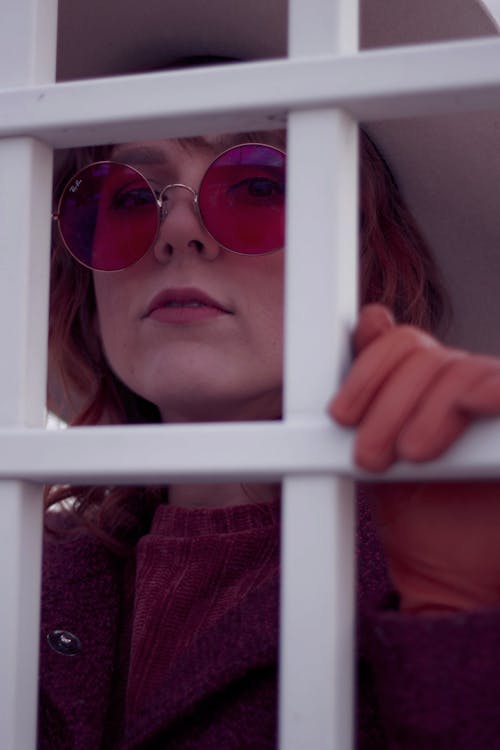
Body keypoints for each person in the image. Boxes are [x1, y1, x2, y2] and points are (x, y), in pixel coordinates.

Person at [39, 113, 500, 750]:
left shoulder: (468, 558)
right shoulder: (24, 562)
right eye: (126, 197)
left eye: (259, 186)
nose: (174, 230)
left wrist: (460, 632)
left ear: (368, 262)